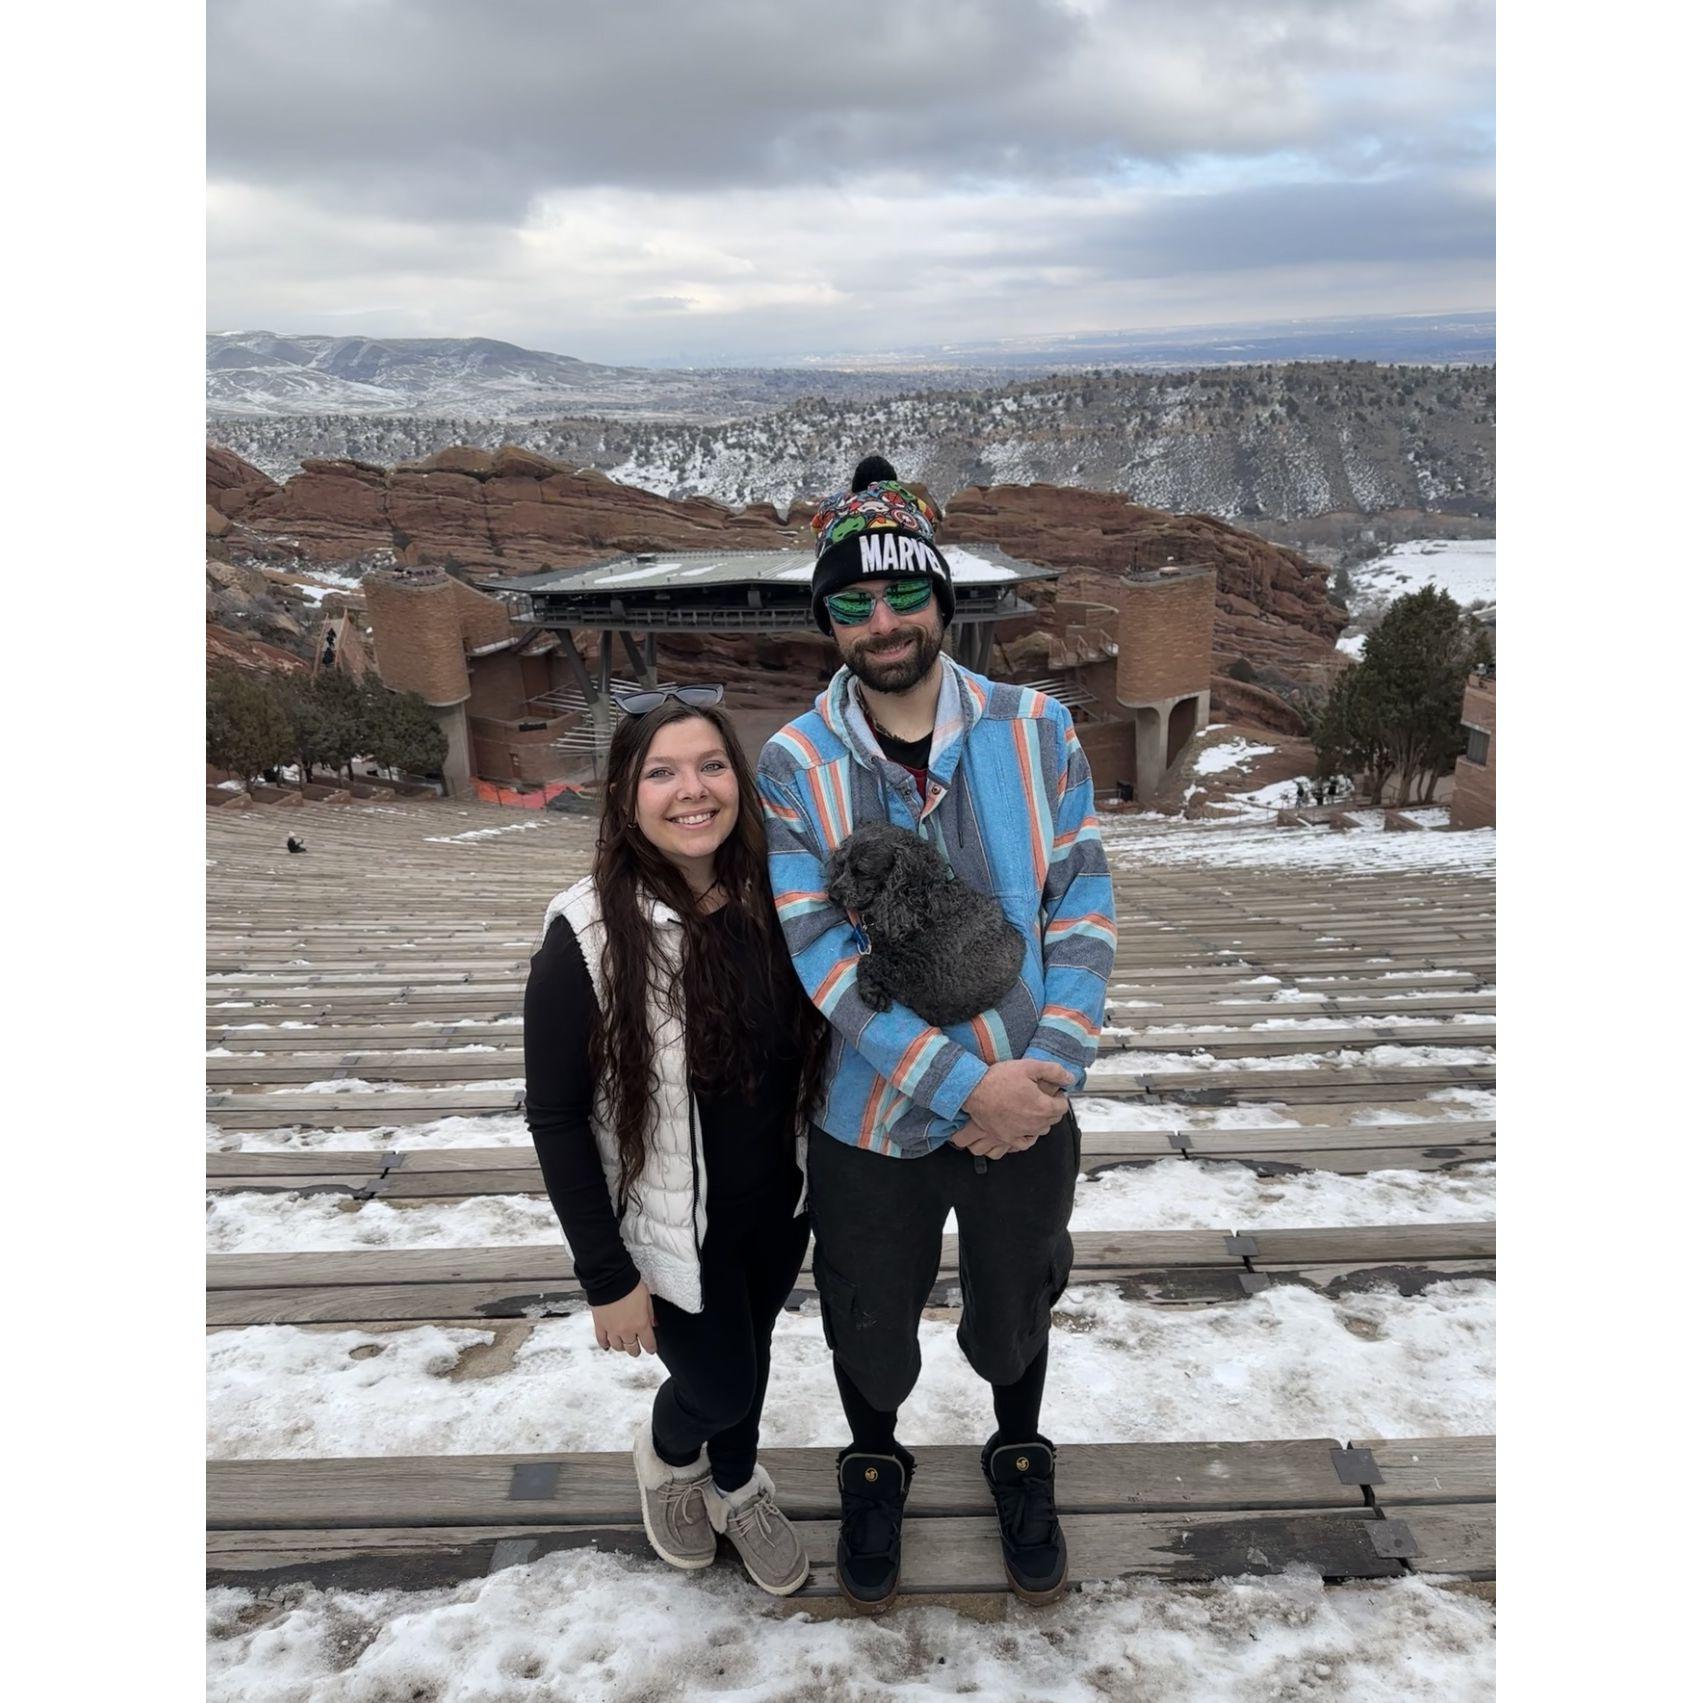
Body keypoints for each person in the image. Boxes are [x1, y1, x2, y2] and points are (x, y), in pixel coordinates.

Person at [758, 457, 1116, 1612]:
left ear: (938, 598)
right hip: (873, 1114)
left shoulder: (1036, 727)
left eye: (900, 593)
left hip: (1032, 1103)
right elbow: (822, 960)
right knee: (865, 1308)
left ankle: (1017, 1444)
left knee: (1017, 1296)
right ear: (828, 619)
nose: (881, 620)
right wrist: (966, 1085)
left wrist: (1045, 1072)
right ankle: (875, 1455)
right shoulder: (793, 766)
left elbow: (1083, 906)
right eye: (851, 603)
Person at [523, 686, 828, 1597]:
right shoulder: (583, 932)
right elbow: (554, 1117)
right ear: (623, 795)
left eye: (709, 765)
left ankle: (736, 1483)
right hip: (669, 1226)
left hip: (779, 1202)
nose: (690, 790)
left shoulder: (781, 898)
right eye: (661, 772)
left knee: (754, 1350)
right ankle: (667, 1455)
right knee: (719, 1386)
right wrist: (606, 1277)